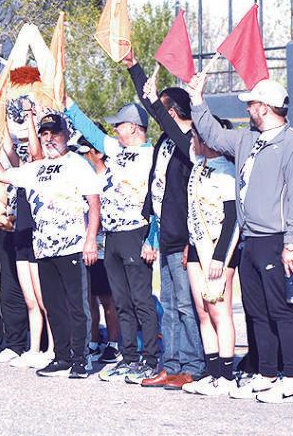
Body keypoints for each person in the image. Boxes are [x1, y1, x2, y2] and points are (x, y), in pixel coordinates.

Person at [191, 72, 293, 404]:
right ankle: (266, 374)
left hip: (277, 240)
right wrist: (198, 99)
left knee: (281, 311)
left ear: (265, 107)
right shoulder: (247, 139)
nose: (248, 109)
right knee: (256, 311)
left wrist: (292, 243)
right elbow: (212, 134)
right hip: (250, 240)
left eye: (252, 103)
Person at [0, 112, 101, 379]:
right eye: (45, 134)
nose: (49, 139)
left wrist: (91, 239)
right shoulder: (35, 168)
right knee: (54, 306)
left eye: (54, 133)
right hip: (44, 247)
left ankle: (81, 360)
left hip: (72, 245)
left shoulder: (78, 164)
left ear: (65, 135)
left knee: (76, 305)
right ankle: (62, 357)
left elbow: (94, 203)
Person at [142, 74, 240, 396]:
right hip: (174, 238)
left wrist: (137, 72)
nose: (195, 138)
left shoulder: (212, 162)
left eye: (200, 135)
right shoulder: (189, 157)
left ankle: (201, 367)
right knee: (177, 306)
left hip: (203, 246)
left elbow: (230, 216)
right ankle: (173, 366)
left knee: (200, 308)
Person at [122, 50, 205, 390]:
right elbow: (155, 189)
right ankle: (170, 365)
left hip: (185, 238)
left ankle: (193, 365)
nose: (157, 115)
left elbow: (157, 111)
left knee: (186, 305)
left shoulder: (191, 142)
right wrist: (151, 232)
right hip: (166, 235)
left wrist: (136, 70)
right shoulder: (164, 142)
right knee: (169, 305)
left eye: (161, 110)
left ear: (172, 112)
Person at [64, 96, 160, 384]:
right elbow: (90, 132)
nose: (115, 130)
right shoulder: (117, 150)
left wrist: (153, 238)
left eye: (119, 125)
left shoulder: (152, 156)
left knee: (141, 300)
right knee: (121, 301)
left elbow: (159, 198)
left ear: (133, 127)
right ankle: (128, 358)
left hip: (137, 232)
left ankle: (150, 360)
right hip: (113, 236)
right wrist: (67, 103)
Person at [0, 97, 55, 370]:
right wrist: (1, 117)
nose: (26, 152)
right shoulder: (21, 171)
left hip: (39, 236)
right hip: (20, 234)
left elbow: (36, 153)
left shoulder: (40, 169)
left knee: (44, 299)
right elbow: (8, 151)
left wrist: (30, 117)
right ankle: (33, 349)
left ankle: (53, 348)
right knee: (30, 301)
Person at [73, 137, 121, 366]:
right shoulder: (79, 177)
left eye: (85, 153)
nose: (82, 158)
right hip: (83, 248)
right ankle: (93, 341)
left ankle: (114, 344)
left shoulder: (109, 177)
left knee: (108, 299)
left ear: (98, 153)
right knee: (89, 298)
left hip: (105, 247)